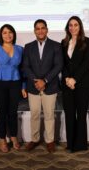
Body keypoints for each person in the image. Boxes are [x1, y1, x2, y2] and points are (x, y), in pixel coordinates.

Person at [0, 24, 27, 153]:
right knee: (2, 112)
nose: (8, 35)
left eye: (10, 32)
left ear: (14, 34)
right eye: (4, 32)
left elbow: (23, 70)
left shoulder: (20, 49)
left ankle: (14, 136)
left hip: (15, 83)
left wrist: (23, 87)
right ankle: (2, 138)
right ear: (1, 35)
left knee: (13, 112)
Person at [23, 19, 63, 153]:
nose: (40, 31)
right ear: (34, 31)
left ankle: (49, 140)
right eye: (37, 28)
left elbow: (58, 66)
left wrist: (44, 81)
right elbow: (25, 67)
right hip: (33, 86)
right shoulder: (28, 47)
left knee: (49, 114)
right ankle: (34, 139)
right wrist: (37, 81)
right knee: (34, 114)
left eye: (42, 28)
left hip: (50, 86)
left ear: (47, 29)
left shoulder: (56, 46)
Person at [61, 16, 89, 152]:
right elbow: (62, 63)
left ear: (80, 27)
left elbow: (86, 63)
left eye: (75, 25)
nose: (73, 28)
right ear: (67, 28)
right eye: (70, 25)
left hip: (82, 83)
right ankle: (71, 144)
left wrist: (74, 79)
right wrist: (68, 78)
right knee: (69, 114)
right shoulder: (63, 42)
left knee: (81, 114)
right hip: (67, 84)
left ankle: (80, 144)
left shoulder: (87, 41)